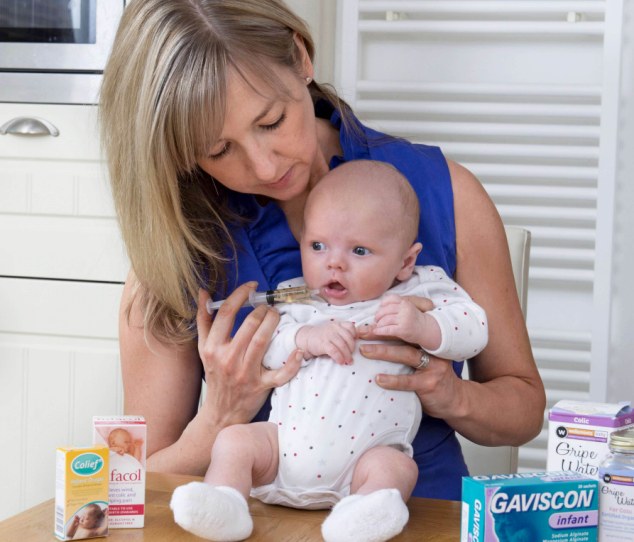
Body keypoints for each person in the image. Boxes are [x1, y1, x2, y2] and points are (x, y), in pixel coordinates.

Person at [99, 0, 545, 505]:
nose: (265, 167)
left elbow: (523, 410)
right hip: (252, 523)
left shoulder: (448, 193)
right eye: (219, 150)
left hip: (416, 517)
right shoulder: (178, 243)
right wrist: (220, 418)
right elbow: (126, 487)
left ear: (300, 58)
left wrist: (453, 395)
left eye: (271, 120)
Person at [169, 159, 489, 541]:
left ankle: (363, 517)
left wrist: (426, 327)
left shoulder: (419, 290)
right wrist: (304, 339)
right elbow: (269, 347)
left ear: (405, 261)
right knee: (234, 441)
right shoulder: (299, 299)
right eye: (317, 245)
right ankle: (227, 504)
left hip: (364, 463)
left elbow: (474, 327)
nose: (333, 262)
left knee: (397, 468)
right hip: (281, 456)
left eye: (359, 250)